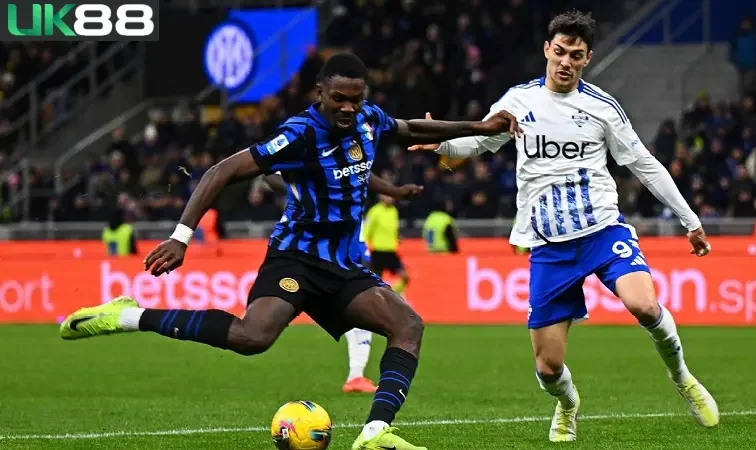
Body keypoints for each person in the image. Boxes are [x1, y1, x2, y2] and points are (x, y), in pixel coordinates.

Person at [59, 52, 518, 450]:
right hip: (296, 257)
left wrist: (478, 127)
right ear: (320, 93)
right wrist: (181, 236)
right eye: (338, 98)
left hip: (343, 265)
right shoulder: (299, 133)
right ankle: (128, 316)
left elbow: (406, 129)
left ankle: (375, 432)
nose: (348, 107)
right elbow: (223, 170)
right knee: (252, 337)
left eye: (356, 98)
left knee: (408, 324)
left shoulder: (369, 120)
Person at [409, 10, 719, 442]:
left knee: (645, 306)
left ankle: (683, 377)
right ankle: (568, 404)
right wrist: (441, 142)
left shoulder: (602, 108)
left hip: (602, 230)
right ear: (546, 50)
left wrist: (690, 221)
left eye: (576, 55)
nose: (565, 62)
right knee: (547, 367)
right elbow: (479, 142)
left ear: (587, 57)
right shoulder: (519, 101)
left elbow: (644, 165)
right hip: (549, 246)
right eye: (560, 52)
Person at [264, 172, 424, 394]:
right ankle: (356, 375)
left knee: (363, 320)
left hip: (343, 263)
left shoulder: (350, 206)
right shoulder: (352, 207)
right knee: (363, 319)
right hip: (338, 266)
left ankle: (356, 376)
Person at [363, 193, 408, 294]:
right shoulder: (374, 211)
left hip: (391, 251)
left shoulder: (394, 211)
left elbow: (392, 229)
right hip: (378, 251)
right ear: (381, 197)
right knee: (375, 282)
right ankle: (376, 299)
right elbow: (366, 231)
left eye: (392, 196)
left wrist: (397, 236)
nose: (390, 198)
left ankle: (395, 294)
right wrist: (365, 249)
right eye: (388, 196)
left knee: (405, 277)